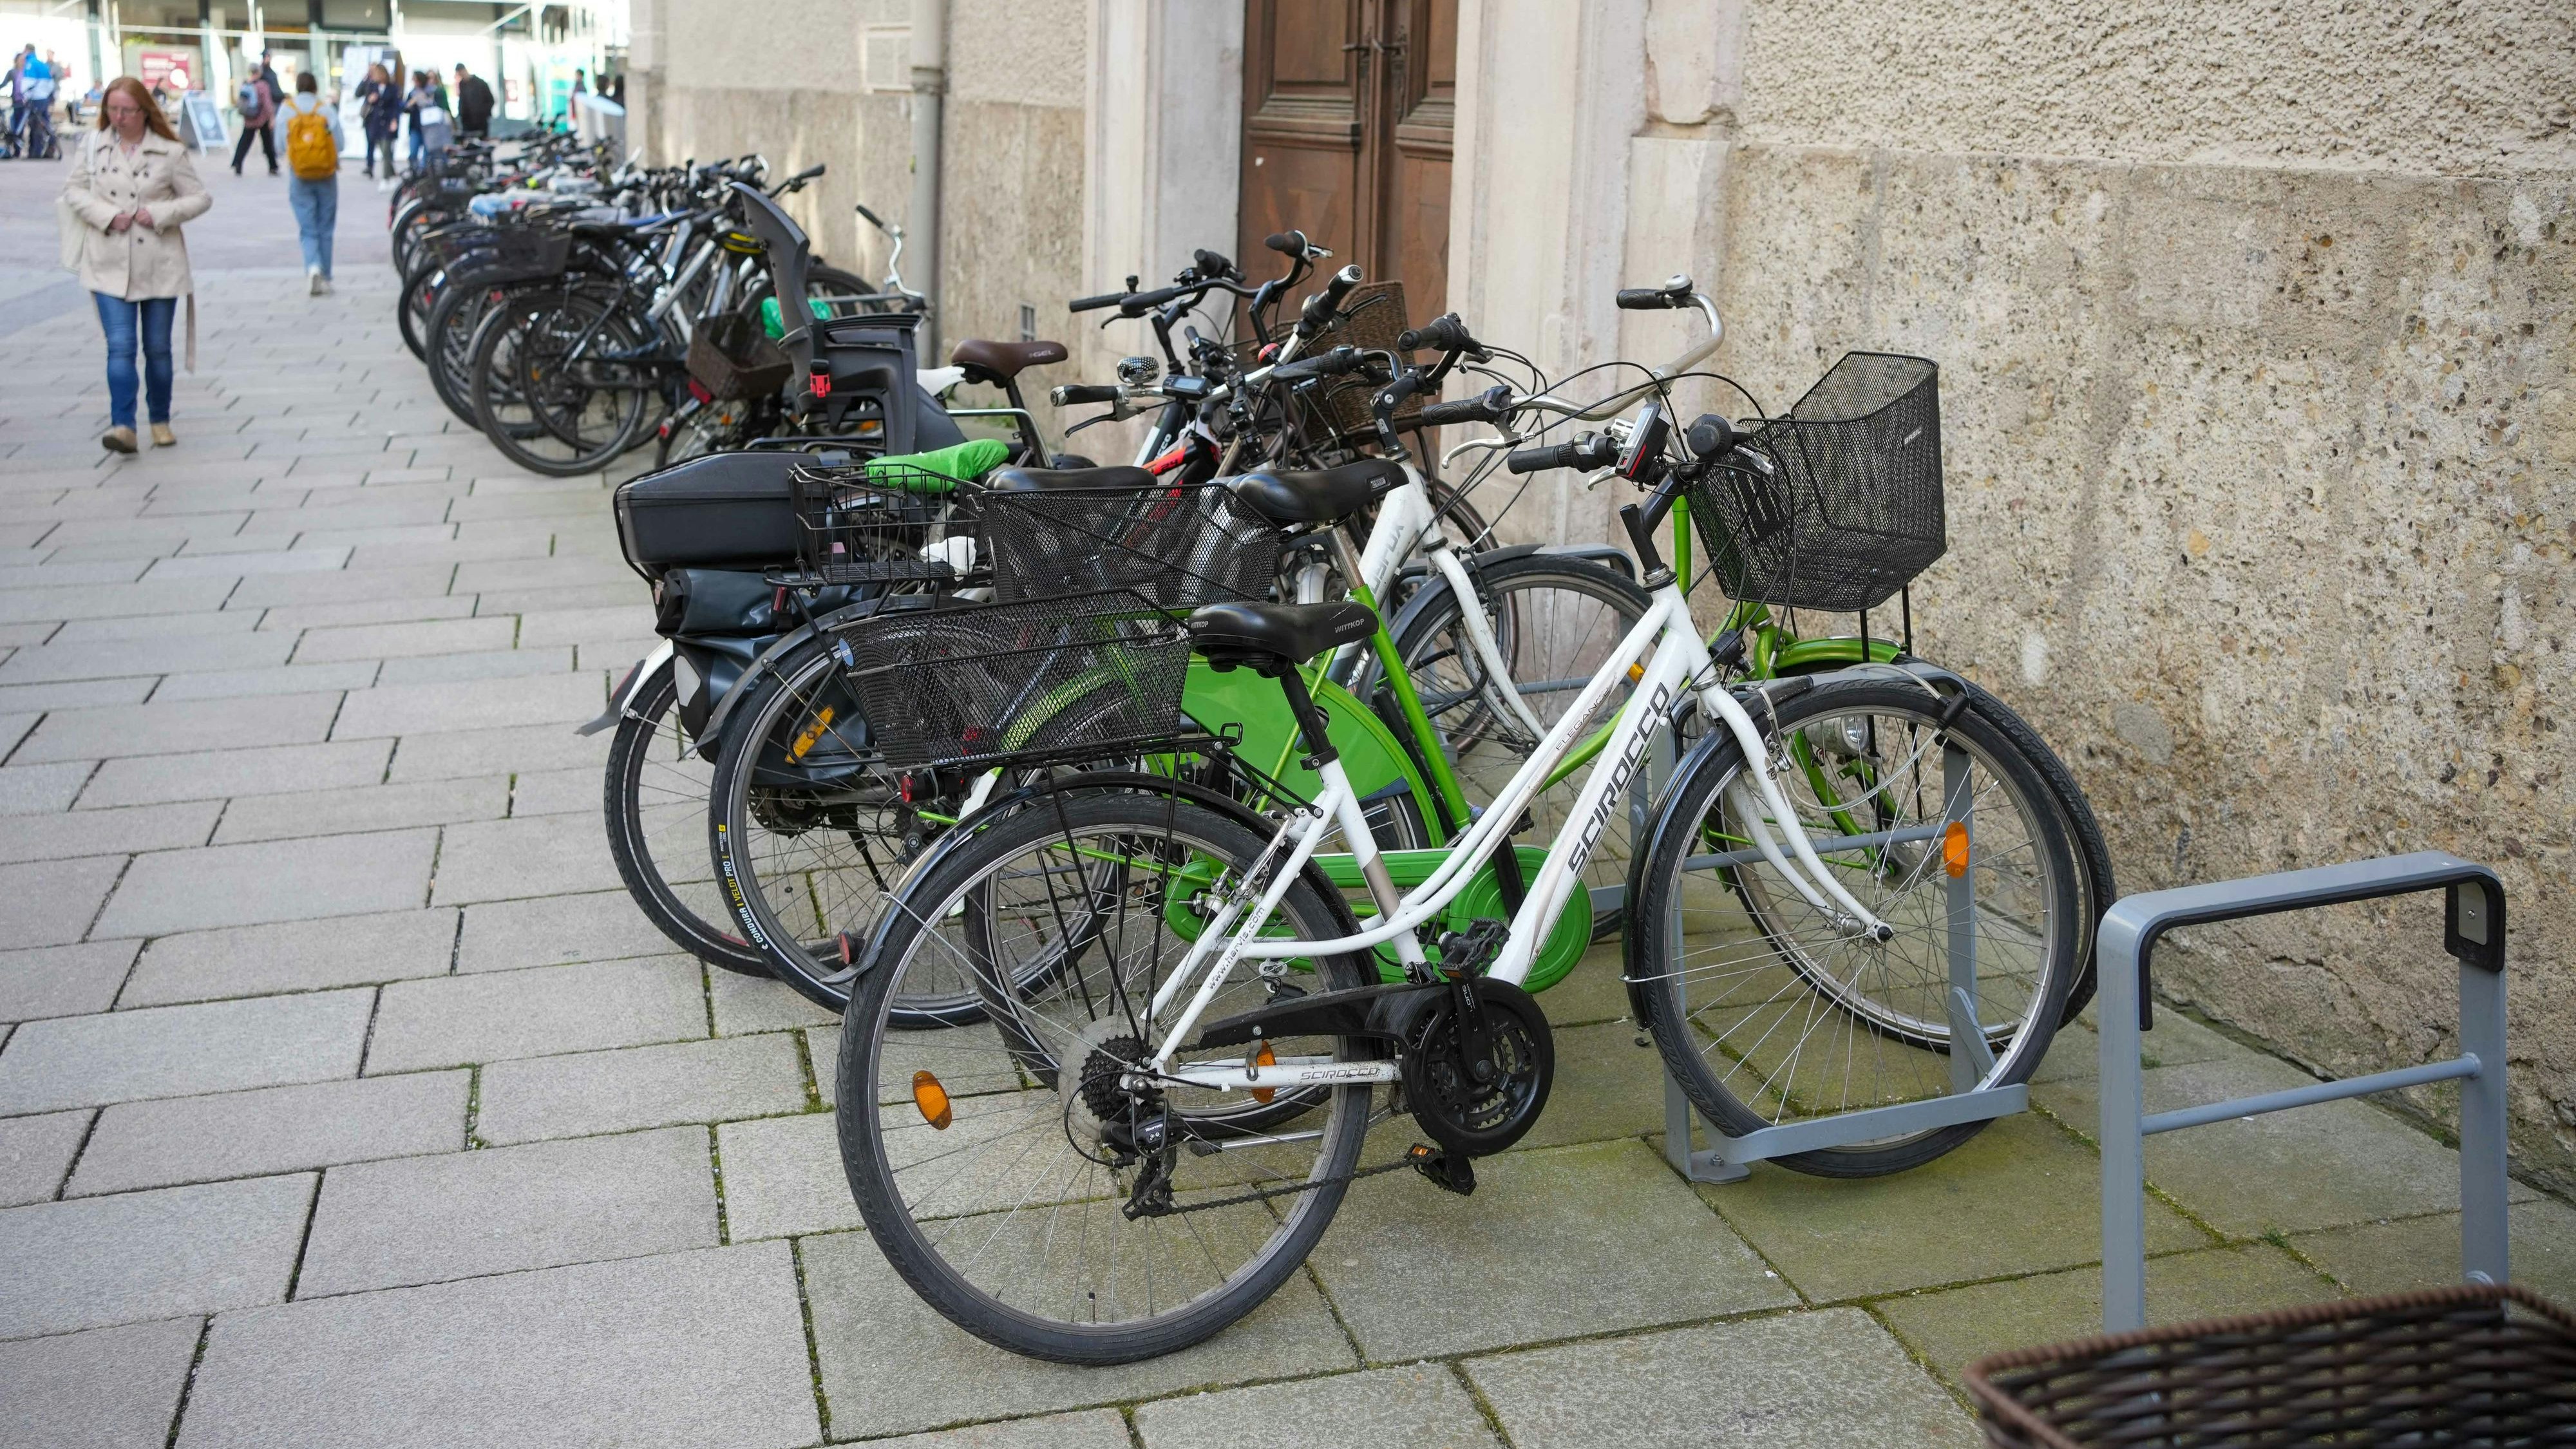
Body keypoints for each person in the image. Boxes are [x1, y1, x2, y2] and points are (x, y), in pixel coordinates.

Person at [62, 77, 209, 453]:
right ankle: (123, 426)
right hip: (108, 260)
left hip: (160, 262)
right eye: (112, 109)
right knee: (121, 346)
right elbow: (74, 191)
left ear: (144, 110)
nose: (119, 117)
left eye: (127, 110)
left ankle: (160, 420)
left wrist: (159, 213)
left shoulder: (170, 152)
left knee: (157, 348)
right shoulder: (94, 146)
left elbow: (200, 198)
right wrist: (106, 215)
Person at [279, 70, 340, 294]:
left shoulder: (287, 110)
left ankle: (313, 266)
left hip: (300, 174)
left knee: (307, 227)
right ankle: (326, 275)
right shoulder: (325, 109)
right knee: (326, 226)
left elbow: (279, 145)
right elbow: (340, 143)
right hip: (326, 174)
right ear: (316, 87)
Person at [229, 61, 276, 175]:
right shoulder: (263, 85)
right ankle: (273, 166)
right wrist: (271, 117)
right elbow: (267, 103)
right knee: (268, 143)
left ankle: (237, 162)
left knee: (244, 141)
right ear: (259, 72)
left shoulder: (245, 84)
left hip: (249, 118)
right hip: (262, 118)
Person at [357, 62, 398, 184]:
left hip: (387, 122)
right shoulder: (371, 85)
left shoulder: (392, 87)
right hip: (374, 122)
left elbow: (395, 106)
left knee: (386, 150)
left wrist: (394, 120)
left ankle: (386, 178)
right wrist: (370, 99)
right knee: (378, 148)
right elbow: (358, 93)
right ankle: (375, 168)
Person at [402, 69, 449, 172]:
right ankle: (415, 172)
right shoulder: (413, 93)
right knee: (413, 152)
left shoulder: (434, 92)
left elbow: (442, 107)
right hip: (416, 127)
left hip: (430, 129)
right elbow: (405, 109)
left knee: (427, 153)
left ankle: (424, 173)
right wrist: (412, 103)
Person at [451, 62, 492, 138]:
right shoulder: (462, 84)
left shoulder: (480, 83)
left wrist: (483, 113)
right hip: (468, 124)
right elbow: (462, 102)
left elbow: (490, 100)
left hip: (480, 122)